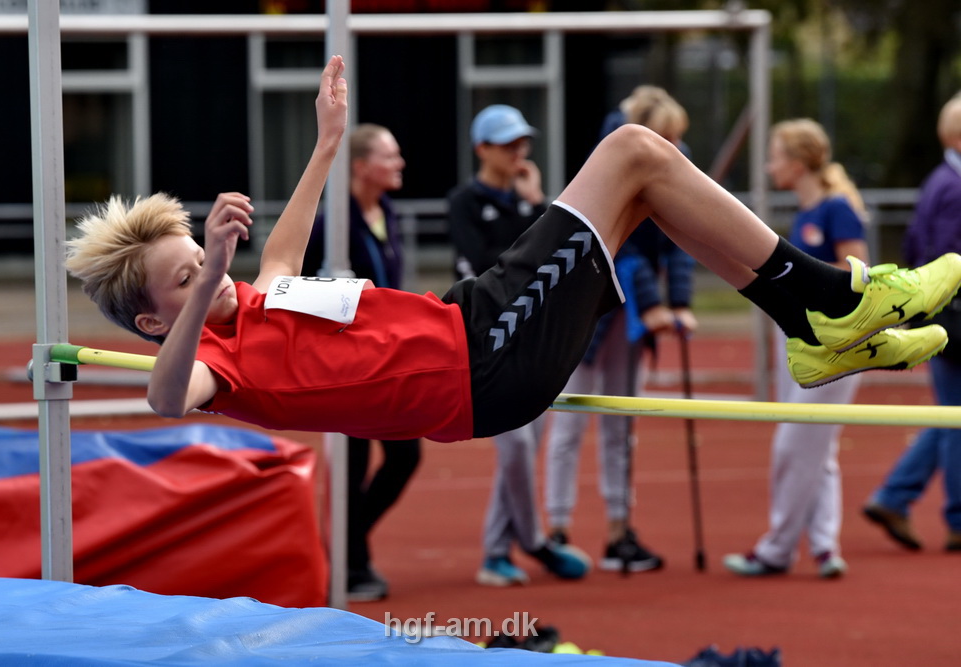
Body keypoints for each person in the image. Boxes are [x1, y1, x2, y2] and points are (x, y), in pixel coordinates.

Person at [65, 56, 957, 486]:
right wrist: (212, 260)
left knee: (642, 180)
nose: (211, 279)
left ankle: (813, 325)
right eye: (184, 282)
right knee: (632, 149)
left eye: (201, 261)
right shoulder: (217, 370)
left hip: (477, 323)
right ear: (154, 321)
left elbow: (288, 249)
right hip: (481, 357)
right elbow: (162, 396)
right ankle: (832, 301)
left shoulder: (262, 296)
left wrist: (330, 138)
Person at [545, 86, 696, 573]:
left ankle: (618, 528)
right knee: (569, 419)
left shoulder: (675, 163)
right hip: (589, 305)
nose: (674, 150)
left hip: (632, 312)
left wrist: (681, 302)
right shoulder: (609, 162)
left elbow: (681, 235)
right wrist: (654, 303)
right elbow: (615, 242)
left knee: (621, 421)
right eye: (667, 138)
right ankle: (558, 529)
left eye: (677, 141)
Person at [448, 104, 591, 586]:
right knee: (516, 446)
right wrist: (532, 212)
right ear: (481, 149)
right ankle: (533, 542)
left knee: (523, 444)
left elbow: (538, 258)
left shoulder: (528, 202)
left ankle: (496, 552)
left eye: (522, 143)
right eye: (508, 144)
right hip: (477, 339)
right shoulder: (465, 201)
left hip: (526, 334)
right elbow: (490, 263)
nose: (519, 152)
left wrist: (536, 204)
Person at [723, 118, 869, 578]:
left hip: (836, 342)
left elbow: (856, 276)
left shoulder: (837, 209)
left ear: (800, 161)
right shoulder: (807, 213)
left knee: (794, 443)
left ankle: (778, 549)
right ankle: (825, 546)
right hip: (802, 336)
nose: (769, 167)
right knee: (816, 447)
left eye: (776, 155)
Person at [303, 123, 420, 601]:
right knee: (351, 463)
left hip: (386, 356)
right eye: (389, 157)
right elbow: (302, 285)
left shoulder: (386, 212)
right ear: (361, 167)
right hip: (347, 363)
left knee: (404, 455)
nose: (399, 164)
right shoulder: (332, 226)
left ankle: (348, 548)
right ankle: (351, 563)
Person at [862, 93, 961, 553]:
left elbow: (913, 249)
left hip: (941, 315)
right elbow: (946, 259)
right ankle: (955, 517)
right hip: (953, 319)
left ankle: (895, 496)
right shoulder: (954, 187)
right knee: (955, 418)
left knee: (949, 414)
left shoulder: (938, 181)